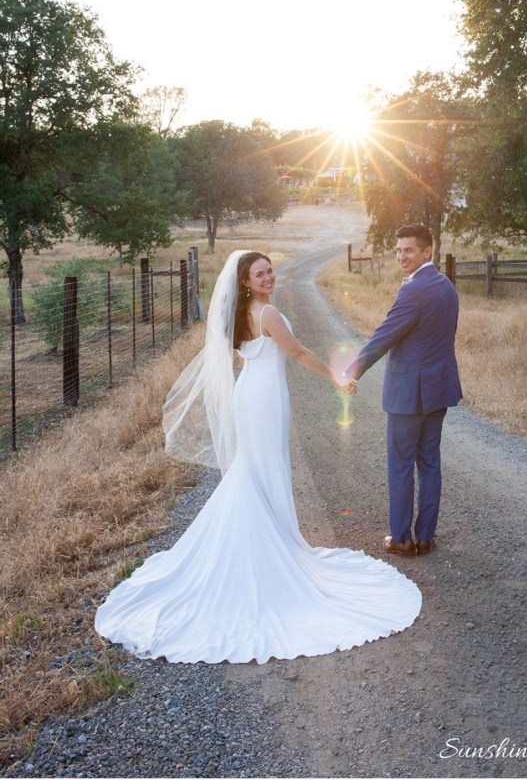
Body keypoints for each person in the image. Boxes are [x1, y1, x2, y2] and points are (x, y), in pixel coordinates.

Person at [94, 250, 421, 664]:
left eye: (270, 270)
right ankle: (267, 550)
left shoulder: (242, 312)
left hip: (250, 392)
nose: (269, 277)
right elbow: (298, 353)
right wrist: (337, 377)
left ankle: (268, 541)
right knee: (262, 469)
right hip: (264, 399)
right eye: (260, 274)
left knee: (255, 469)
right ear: (245, 282)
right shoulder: (267, 314)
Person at [344, 225, 462, 557]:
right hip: (438, 389)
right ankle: (425, 537)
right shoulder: (446, 285)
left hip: (409, 393)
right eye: (398, 250)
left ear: (427, 251)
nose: (401, 256)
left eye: (408, 250)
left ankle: (400, 539)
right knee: (430, 463)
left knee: (400, 466)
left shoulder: (413, 290)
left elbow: (384, 336)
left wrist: (351, 371)